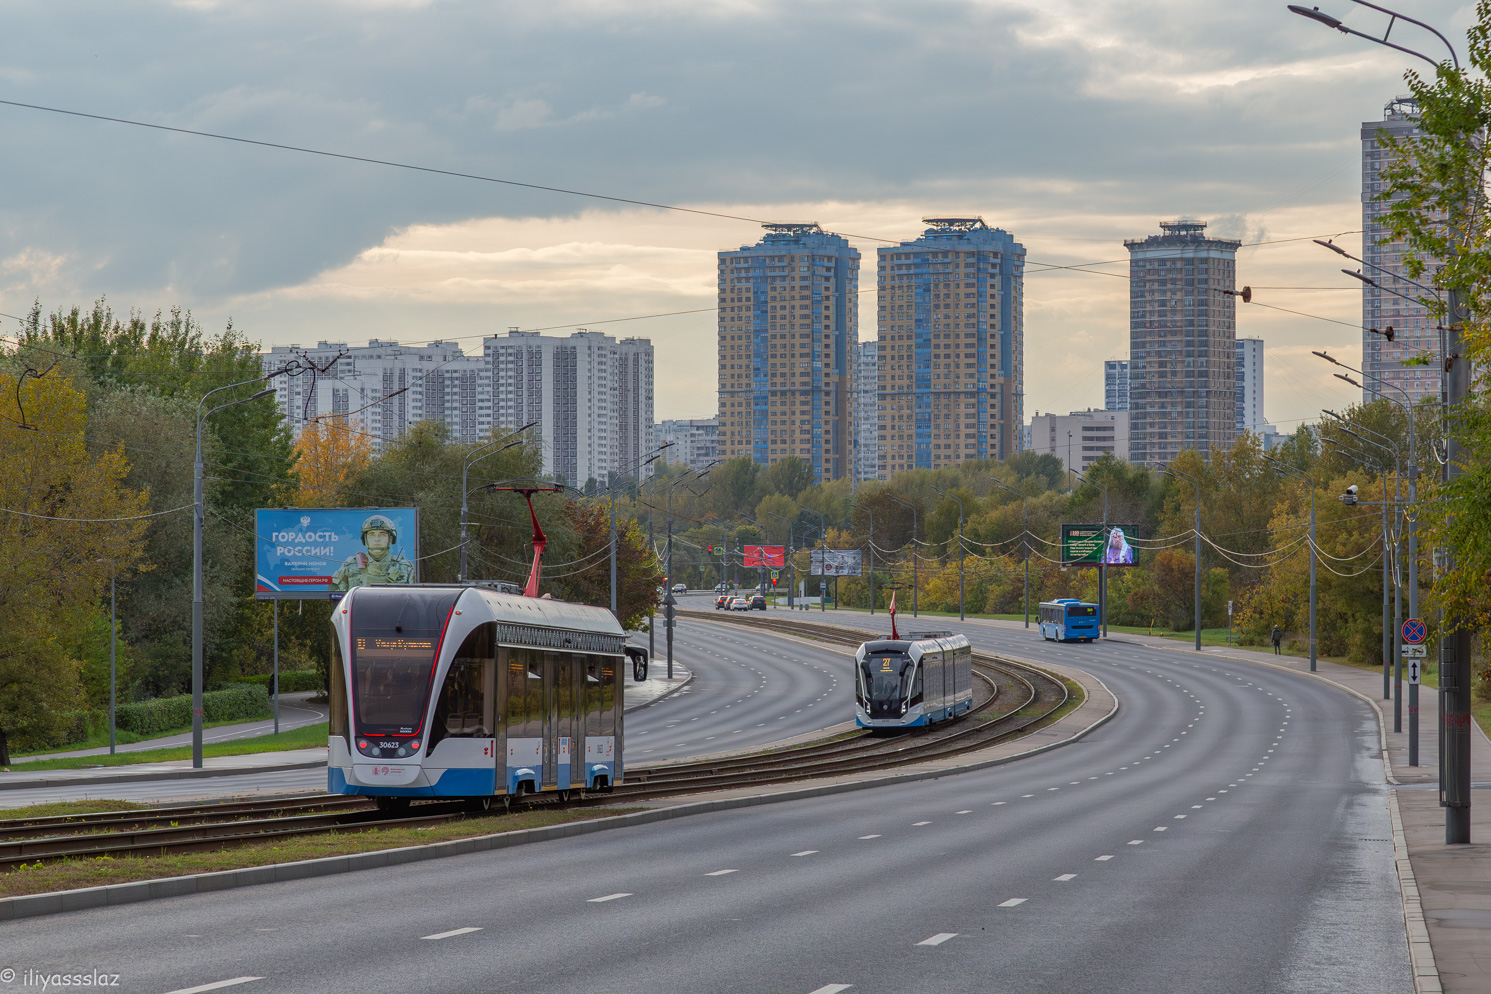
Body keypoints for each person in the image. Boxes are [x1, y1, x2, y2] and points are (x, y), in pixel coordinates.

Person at [331, 514, 415, 590]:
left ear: (390, 539)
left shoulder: (405, 568)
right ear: (365, 540)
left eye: (382, 534)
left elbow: (413, 600)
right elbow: (336, 598)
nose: (377, 539)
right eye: (371, 535)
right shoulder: (350, 566)